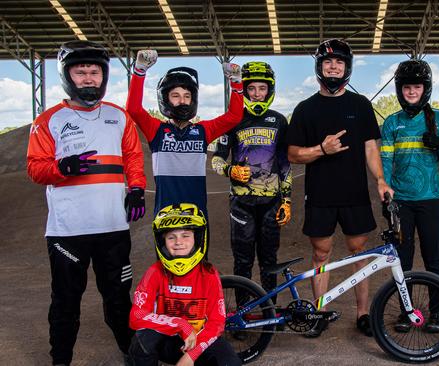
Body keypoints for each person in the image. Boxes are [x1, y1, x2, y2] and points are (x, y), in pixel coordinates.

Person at [26, 40, 146, 366]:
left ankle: (132, 356)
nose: (89, 78)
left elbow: (134, 158)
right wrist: (60, 169)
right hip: (68, 232)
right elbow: (35, 168)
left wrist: (136, 189)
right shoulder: (48, 120)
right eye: (81, 73)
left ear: (104, 75)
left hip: (113, 228)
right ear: (67, 76)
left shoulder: (119, 116)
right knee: (66, 302)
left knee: (120, 301)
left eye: (95, 72)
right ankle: (60, 361)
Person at [286, 38, 393, 338]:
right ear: (320, 68)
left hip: (355, 194)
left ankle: (362, 313)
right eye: (328, 63)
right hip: (320, 195)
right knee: (321, 254)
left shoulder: (360, 105)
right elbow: (293, 154)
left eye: (339, 63)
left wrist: (380, 180)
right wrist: (321, 149)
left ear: (346, 68)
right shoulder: (305, 109)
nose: (333, 67)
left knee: (359, 252)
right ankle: (318, 313)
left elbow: (371, 147)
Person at [379, 59, 439, 334]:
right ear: (400, 90)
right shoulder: (391, 123)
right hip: (401, 203)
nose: (412, 92)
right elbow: (385, 160)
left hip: (430, 199)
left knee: (433, 259)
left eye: (417, 87)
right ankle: (406, 312)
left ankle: (436, 314)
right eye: (407, 87)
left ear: (426, 89)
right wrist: (385, 191)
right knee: (403, 261)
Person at [125, 49, 244, 219]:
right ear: (164, 98)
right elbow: (133, 109)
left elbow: (234, 117)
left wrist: (237, 83)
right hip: (165, 214)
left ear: (193, 99)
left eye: (187, 96)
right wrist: (139, 71)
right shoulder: (156, 130)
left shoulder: (203, 131)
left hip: (197, 214)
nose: (182, 101)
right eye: (176, 95)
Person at [211, 61, 292, 297]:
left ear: (270, 90)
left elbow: (285, 163)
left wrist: (286, 200)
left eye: (262, 89)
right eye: (252, 89)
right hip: (241, 202)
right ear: (244, 90)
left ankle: (270, 309)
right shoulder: (232, 119)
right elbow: (216, 159)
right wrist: (229, 171)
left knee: (270, 260)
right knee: (242, 261)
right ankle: (243, 313)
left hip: (271, 202)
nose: (257, 94)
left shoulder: (279, 121)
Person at [129, 203, 241, 366]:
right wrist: (180, 324)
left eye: (185, 235)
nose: (178, 242)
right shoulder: (155, 272)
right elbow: (136, 316)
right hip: (167, 340)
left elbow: (216, 323)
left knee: (231, 362)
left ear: (197, 238)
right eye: (171, 237)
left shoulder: (209, 274)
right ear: (162, 242)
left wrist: (191, 356)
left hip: (199, 341)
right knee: (141, 341)